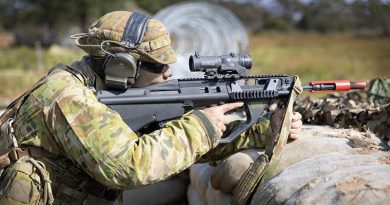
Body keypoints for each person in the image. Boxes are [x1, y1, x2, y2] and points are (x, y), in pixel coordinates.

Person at [0, 11, 302, 205]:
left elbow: (170, 146)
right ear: (121, 65)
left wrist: (261, 131)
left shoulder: (104, 90)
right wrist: (201, 125)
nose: (168, 74)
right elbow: (129, 166)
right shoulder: (67, 96)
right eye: (158, 66)